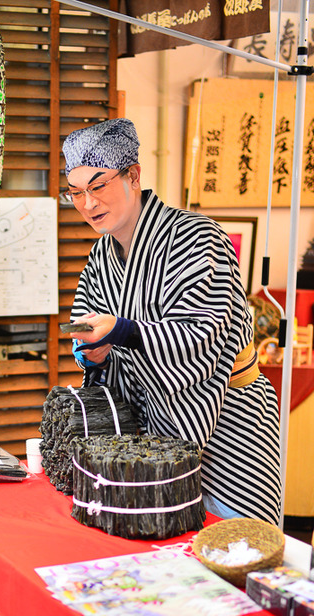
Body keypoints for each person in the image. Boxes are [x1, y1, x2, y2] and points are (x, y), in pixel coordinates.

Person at [63, 118, 281, 524]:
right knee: (162, 549)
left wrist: (122, 330)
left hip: (228, 428)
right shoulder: (100, 257)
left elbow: (201, 333)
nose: (87, 204)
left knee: (229, 548)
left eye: (98, 186)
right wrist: (92, 353)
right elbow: (85, 325)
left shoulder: (198, 236)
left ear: (133, 176)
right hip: (149, 436)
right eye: (75, 192)